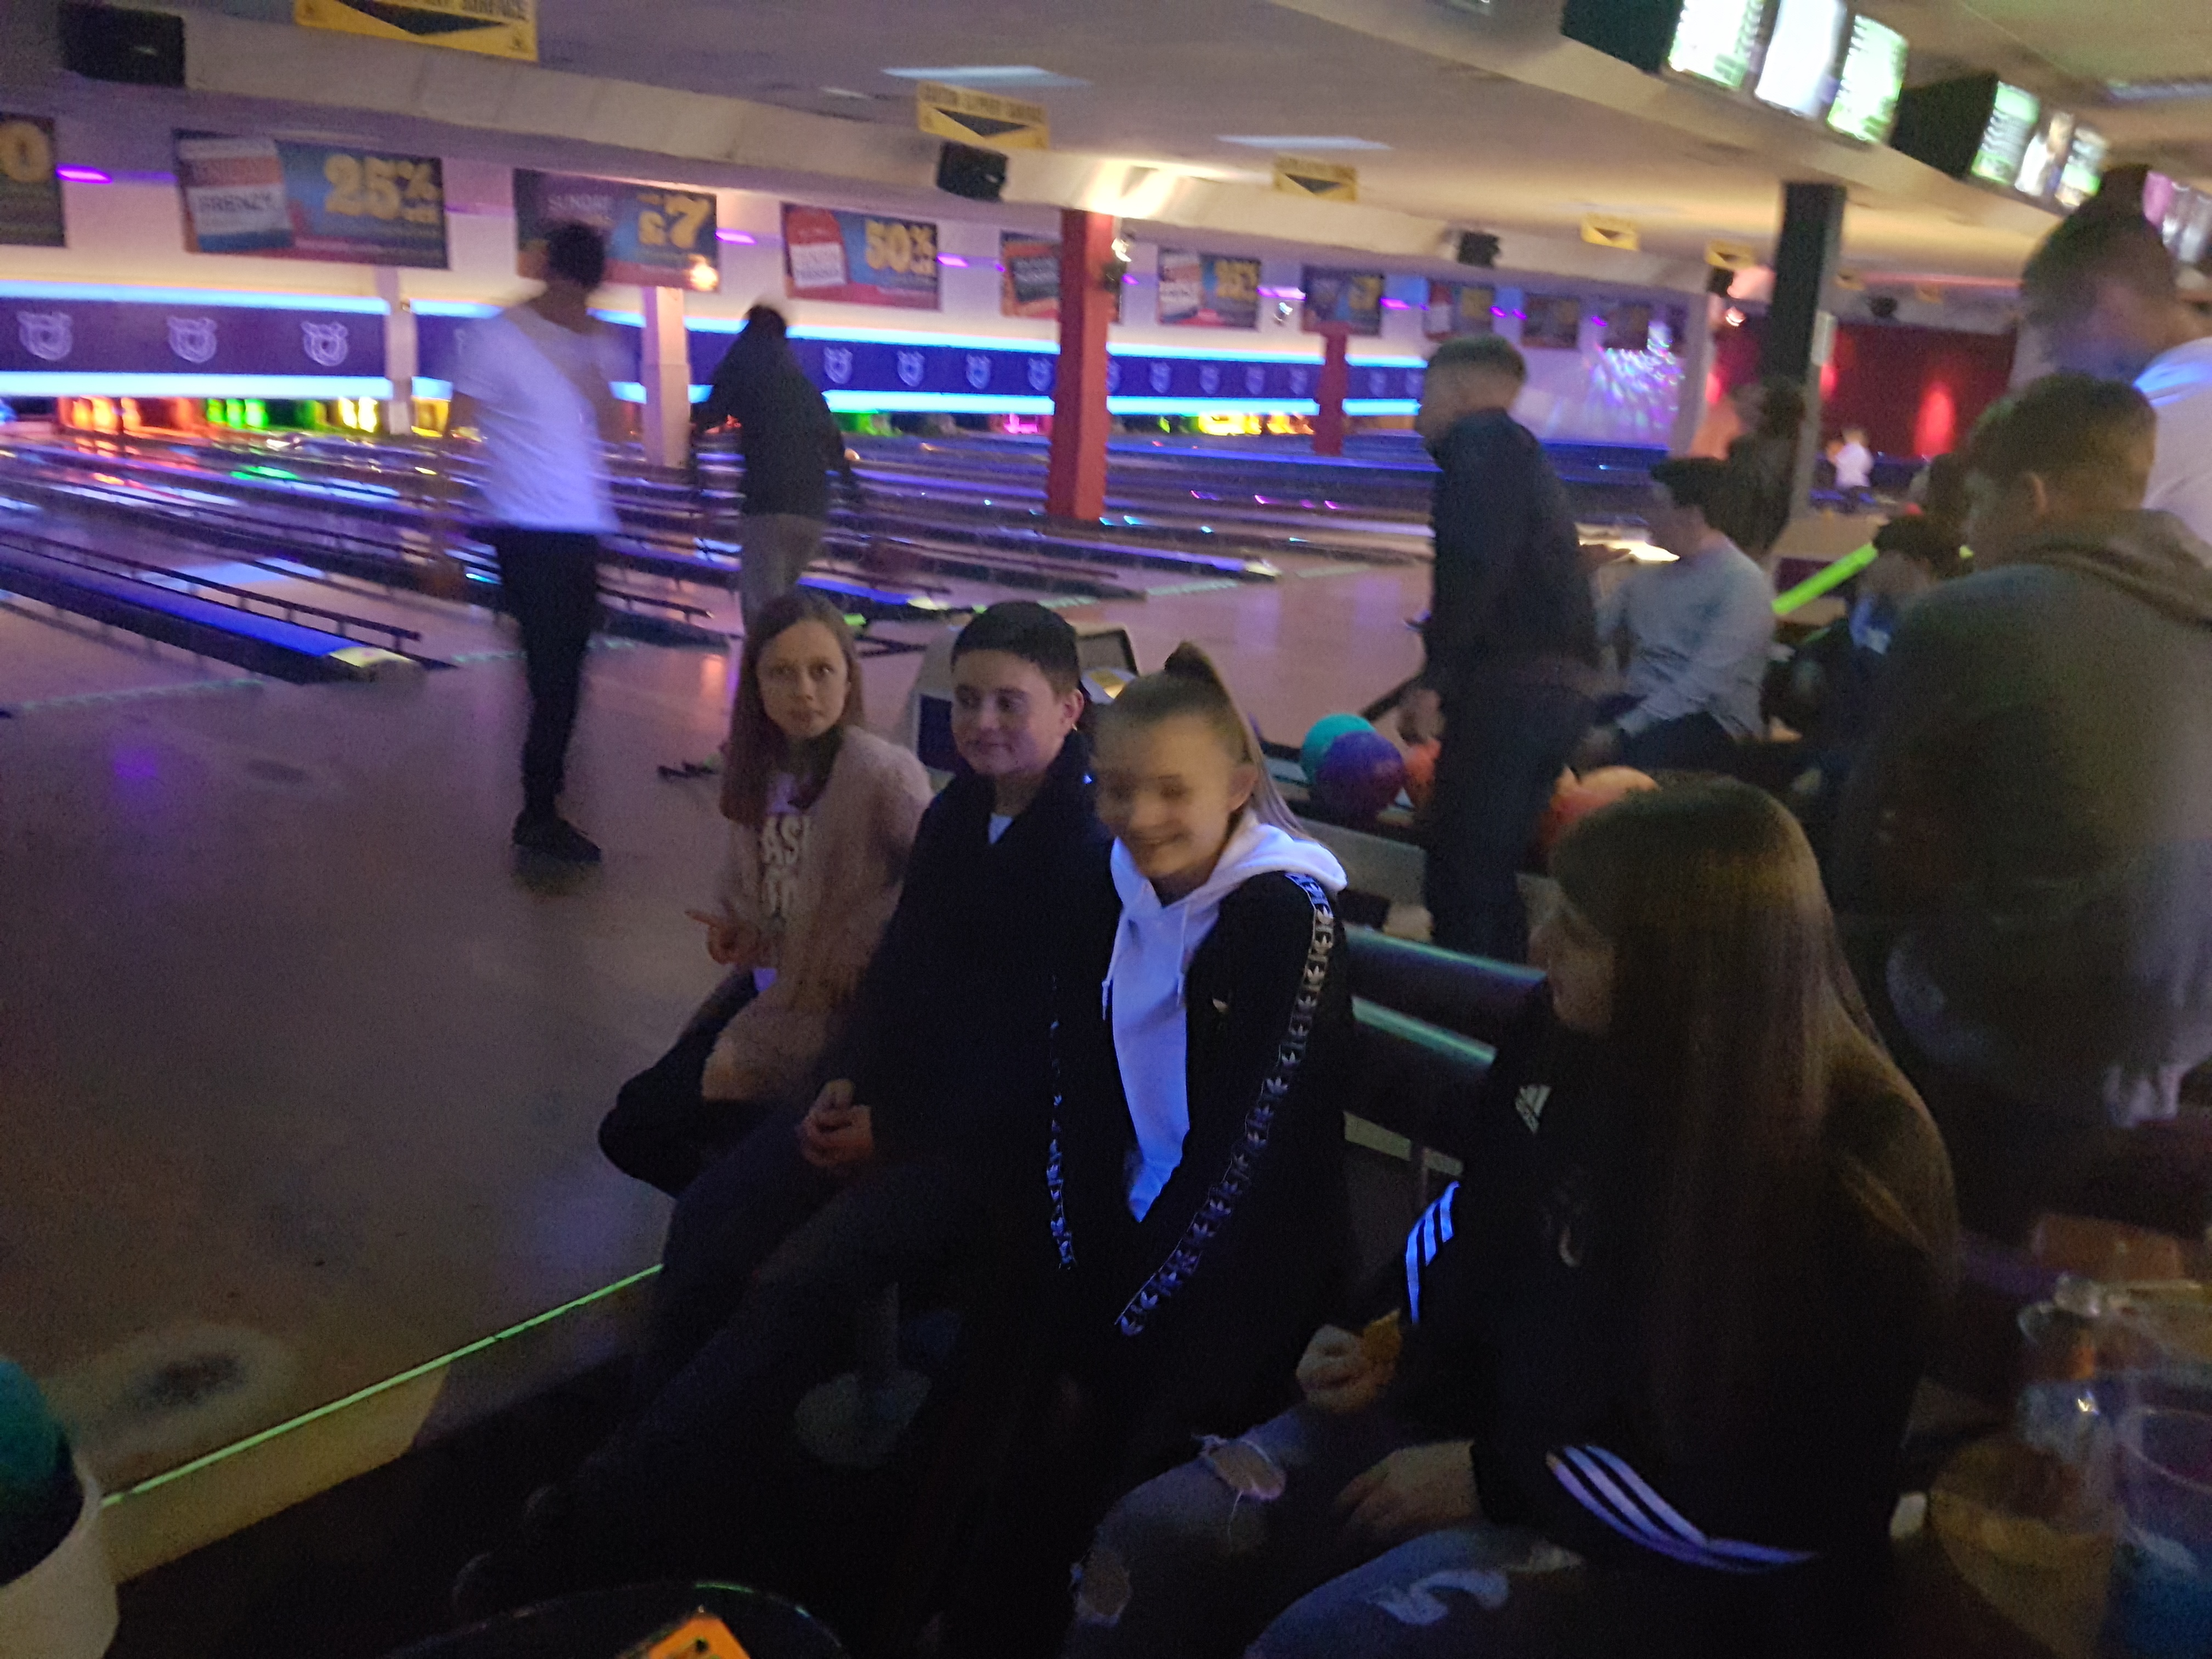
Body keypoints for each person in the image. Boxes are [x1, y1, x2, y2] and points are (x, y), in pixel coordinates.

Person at [1064, 781, 1956, 1659]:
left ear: (1684, 968)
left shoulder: (1859, 1162)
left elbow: (1794, 1508)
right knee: (1154, 1537)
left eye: (1579, 931)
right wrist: (1388, 1330)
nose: (1538, 944)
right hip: (1496, 1436)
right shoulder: (1566, 1031)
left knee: (1325, 1643)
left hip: (1675, 1557)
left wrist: (1500, 1478)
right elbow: (1483, 1205)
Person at [455, 601, 1103, 1616]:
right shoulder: (957, 814)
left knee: (790, 1285)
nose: (981, 722)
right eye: (969, 699)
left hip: (985, 1151)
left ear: (1068, 709)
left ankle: (599, 1523)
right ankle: (647, 1467)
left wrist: (895, 1129)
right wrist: (844, 1081)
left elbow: (1047, 1056)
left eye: (1008, 703)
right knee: (710, 1214)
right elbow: (898, 979)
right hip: (884, 1100)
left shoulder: (1091, 850)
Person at [946, 645, 1354, 1651]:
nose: (1141, 815)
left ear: (1238, 789)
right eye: (1118, 788)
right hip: (1130, 1230)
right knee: (998, 1385)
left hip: (1252, 1264)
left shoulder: (1289, 918)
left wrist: (1116, 1318)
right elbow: (1076, 1102)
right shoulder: (1105, 886)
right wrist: (1083, 1271)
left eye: (1174, 791)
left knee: (1106, 1435)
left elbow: (1243, 1165)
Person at [1833, 374, 2212, 1243]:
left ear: (2032, 498)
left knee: (1823, 949)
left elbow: (1860, 860)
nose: (1969, 532)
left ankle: (1872, 1267)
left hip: (2025, 1028)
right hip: (2190, 1030)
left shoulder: (1971, 615)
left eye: (1977, 505)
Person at [596, 591, 930, 1197]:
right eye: (781, 673)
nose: (804, 691)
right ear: (756, 685)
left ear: (849, 677)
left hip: (831, 1016)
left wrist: (858, 943)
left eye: (821, 671)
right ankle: (747, 1206)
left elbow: (935, 882)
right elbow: (758, 893)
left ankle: (745, 1212)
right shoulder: (757, 769)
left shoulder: (881, 772)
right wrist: (738, 929)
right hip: (766, 987)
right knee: (631, 1125)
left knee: (641, 1128)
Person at [1398, 335, 1601, 960]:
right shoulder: (1521, 454)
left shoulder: (1478, 448)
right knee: (1486, 867)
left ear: (1458, 389)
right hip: (1558, 691)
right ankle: (1502, 993)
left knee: (1461, 869)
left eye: (1425, 395)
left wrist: (1435, 681)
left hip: (1513, 691)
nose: (1417, 416)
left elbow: (1473, 573)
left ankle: (1468, 1001)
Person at [445, 222, 629, 864]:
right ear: (548, 273)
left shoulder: (597, 341)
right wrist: (439, 535)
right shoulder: (497, 336)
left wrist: (591, 366)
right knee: (554, 678)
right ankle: (539, 813)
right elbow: (454, 430)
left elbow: (616, 429)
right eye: (569, 289)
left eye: (586, 294)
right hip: (522, 528)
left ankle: (544, 801)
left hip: (582, 529)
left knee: (565, 677)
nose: (576, 303)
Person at [2022, 206, 2212, 546]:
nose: (2047, 352)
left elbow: (2045, 554)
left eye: (2048, 321)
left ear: (2106, 302)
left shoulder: (2144, 424)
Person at [1579, 458, 1775, 775]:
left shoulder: (1743, 582)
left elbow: (1704, 684)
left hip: (1711, 722)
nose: (1647, 516)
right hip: (1641, 705)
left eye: (1657, 505)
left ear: (1691, 515)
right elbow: (1587, 636)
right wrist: (1586, 576)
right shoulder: (1648, 578)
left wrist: (1621, 730)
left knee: (1637, 760)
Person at [691, 304, 860, 627]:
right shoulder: (803, 386)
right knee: (779, 607)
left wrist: (698, 487)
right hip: (812, 512)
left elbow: (706, 418)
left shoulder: (741, 369)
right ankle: (790, 653)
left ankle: (774, 658)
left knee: (763, 617)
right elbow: (835, 450)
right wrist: (859, 507)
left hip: (768, 508)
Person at [1717, 375, 1807, 561]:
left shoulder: (1746, 451)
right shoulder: (1798, 452)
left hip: (1746, 540)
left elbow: (1742, 501)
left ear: (1764, 413)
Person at [1832, 427, 1874, 507]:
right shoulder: (1864, 451)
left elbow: (1839, 462)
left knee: (1847, 499)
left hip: (1845, 483)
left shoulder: (1847, 450)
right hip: (1861, 483)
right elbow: (1868, 467)